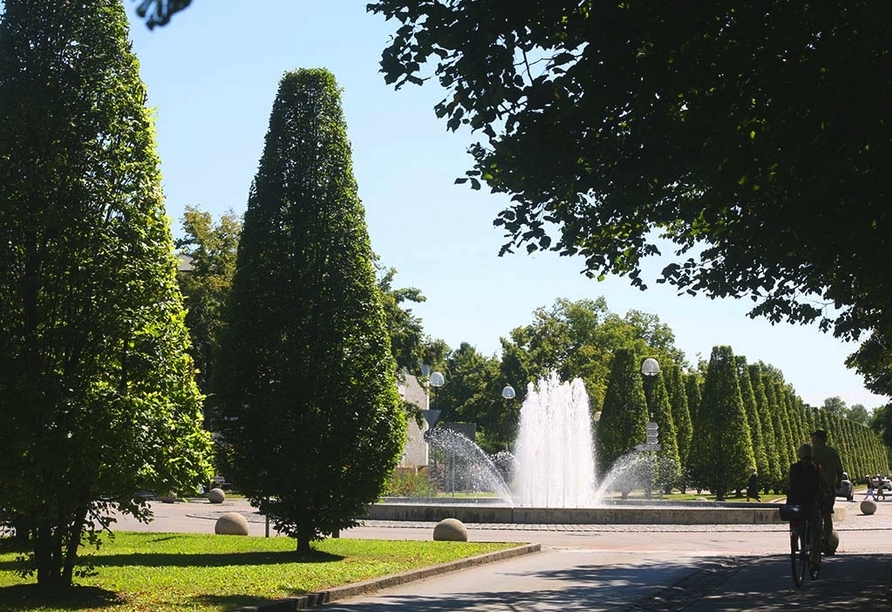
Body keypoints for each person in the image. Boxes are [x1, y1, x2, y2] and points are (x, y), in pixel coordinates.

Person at [787, 443, 826, 572]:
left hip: (796, 505)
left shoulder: (793, 468)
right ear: (812, 454)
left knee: (799, 525)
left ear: (799, 454)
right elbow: (824, 484)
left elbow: (790, 485)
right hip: (811, 504)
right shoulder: (816, 468)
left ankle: (800, 546)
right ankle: (814, 560)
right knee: (817, 531)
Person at [810, 429, 844, 556]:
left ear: (817, 439)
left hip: (813, 489)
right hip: (828, 489)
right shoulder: (832, 452)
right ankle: (827, 544)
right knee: (827, 515)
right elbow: (840, 470)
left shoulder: (811, 452)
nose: (812, 441)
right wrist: (838, 483)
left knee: (812, 515)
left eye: (813, 438)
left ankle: (813, 543)